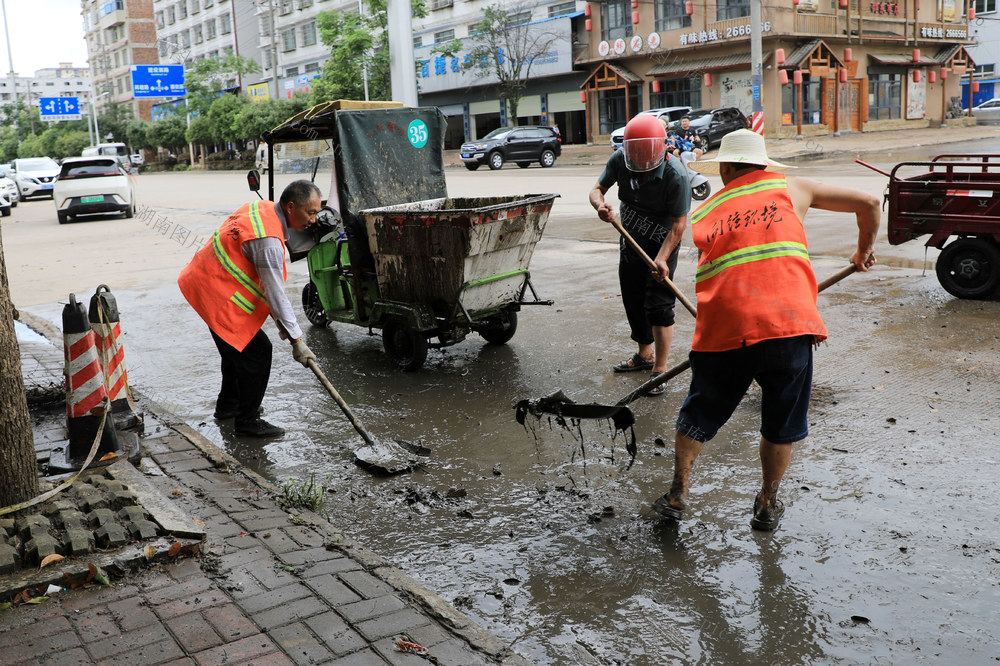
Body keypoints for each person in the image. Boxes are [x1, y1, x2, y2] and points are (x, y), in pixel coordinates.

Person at [650, 129, 880, 531]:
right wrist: (863, 251)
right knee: (780, 423)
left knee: (699, 413)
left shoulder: (708, 212)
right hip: (788, 326)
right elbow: (871, 202)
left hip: (725, 329)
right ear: (764, 165)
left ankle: (677, 493)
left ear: (725, 168)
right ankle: (768, 504)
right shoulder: (793, 188)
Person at [178, 180, 322, 437]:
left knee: (236, 352)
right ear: (291, 207)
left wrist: (291, 335)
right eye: (310, 213)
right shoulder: (268, 240)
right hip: (215, 290)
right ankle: (247, 420)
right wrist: (297, 340)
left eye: (317, 213)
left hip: (203, 278)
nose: (314, 219)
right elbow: (276, 294)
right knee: (257, 351)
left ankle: (228, 408)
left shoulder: (262, 207)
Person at [589, 114, 691, 395]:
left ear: (662, 150)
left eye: (649, 165)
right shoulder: (620, 159)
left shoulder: (676, 175)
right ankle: (644, 355)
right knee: (633, 296)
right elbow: (597, 189)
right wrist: (600, 206)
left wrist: (662, 258)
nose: (643, 169)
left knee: (659, 304)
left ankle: (660, 370)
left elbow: (679, 225)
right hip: (630, 238)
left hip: (663, 242)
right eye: (638, 164)